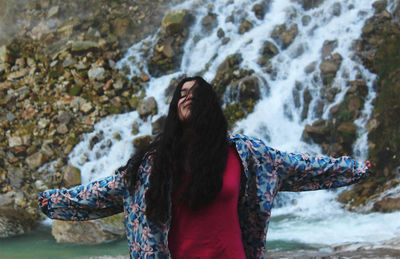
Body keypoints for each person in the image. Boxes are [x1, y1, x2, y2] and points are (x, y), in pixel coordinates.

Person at [38, 76, 371, 259]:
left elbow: (303, 166)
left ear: (210, 104)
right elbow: (102, 192)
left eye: (196, 93)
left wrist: (354, 168)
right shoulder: (154, 164)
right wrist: (51, 202)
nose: (186, 97)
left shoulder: (247, 155)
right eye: (181, 94)